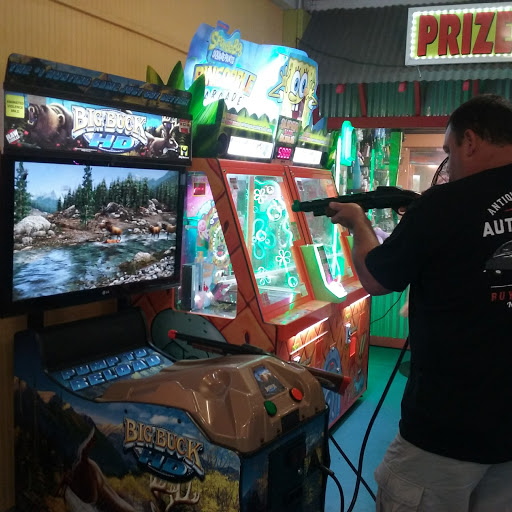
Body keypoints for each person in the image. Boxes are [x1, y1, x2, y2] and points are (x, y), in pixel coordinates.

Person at [328, 94, 512, 512]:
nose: (449, 164)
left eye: (449, 150)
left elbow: (376, 278)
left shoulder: (444, 204)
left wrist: (357, 222)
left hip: (444, 431)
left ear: (470, 141)